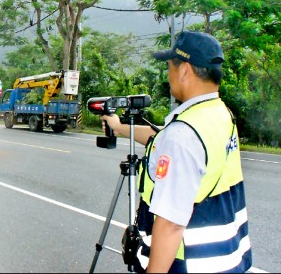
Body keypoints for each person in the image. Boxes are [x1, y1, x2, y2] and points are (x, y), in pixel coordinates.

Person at [100, 30, 252, 273]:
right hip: (226, 260)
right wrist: (119, 128)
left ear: (184, 70)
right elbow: (164, 139)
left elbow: (170, 224)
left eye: (170, 66)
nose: (168, 74)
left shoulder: (182, 135)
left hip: (186, 263)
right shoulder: (219, 114)